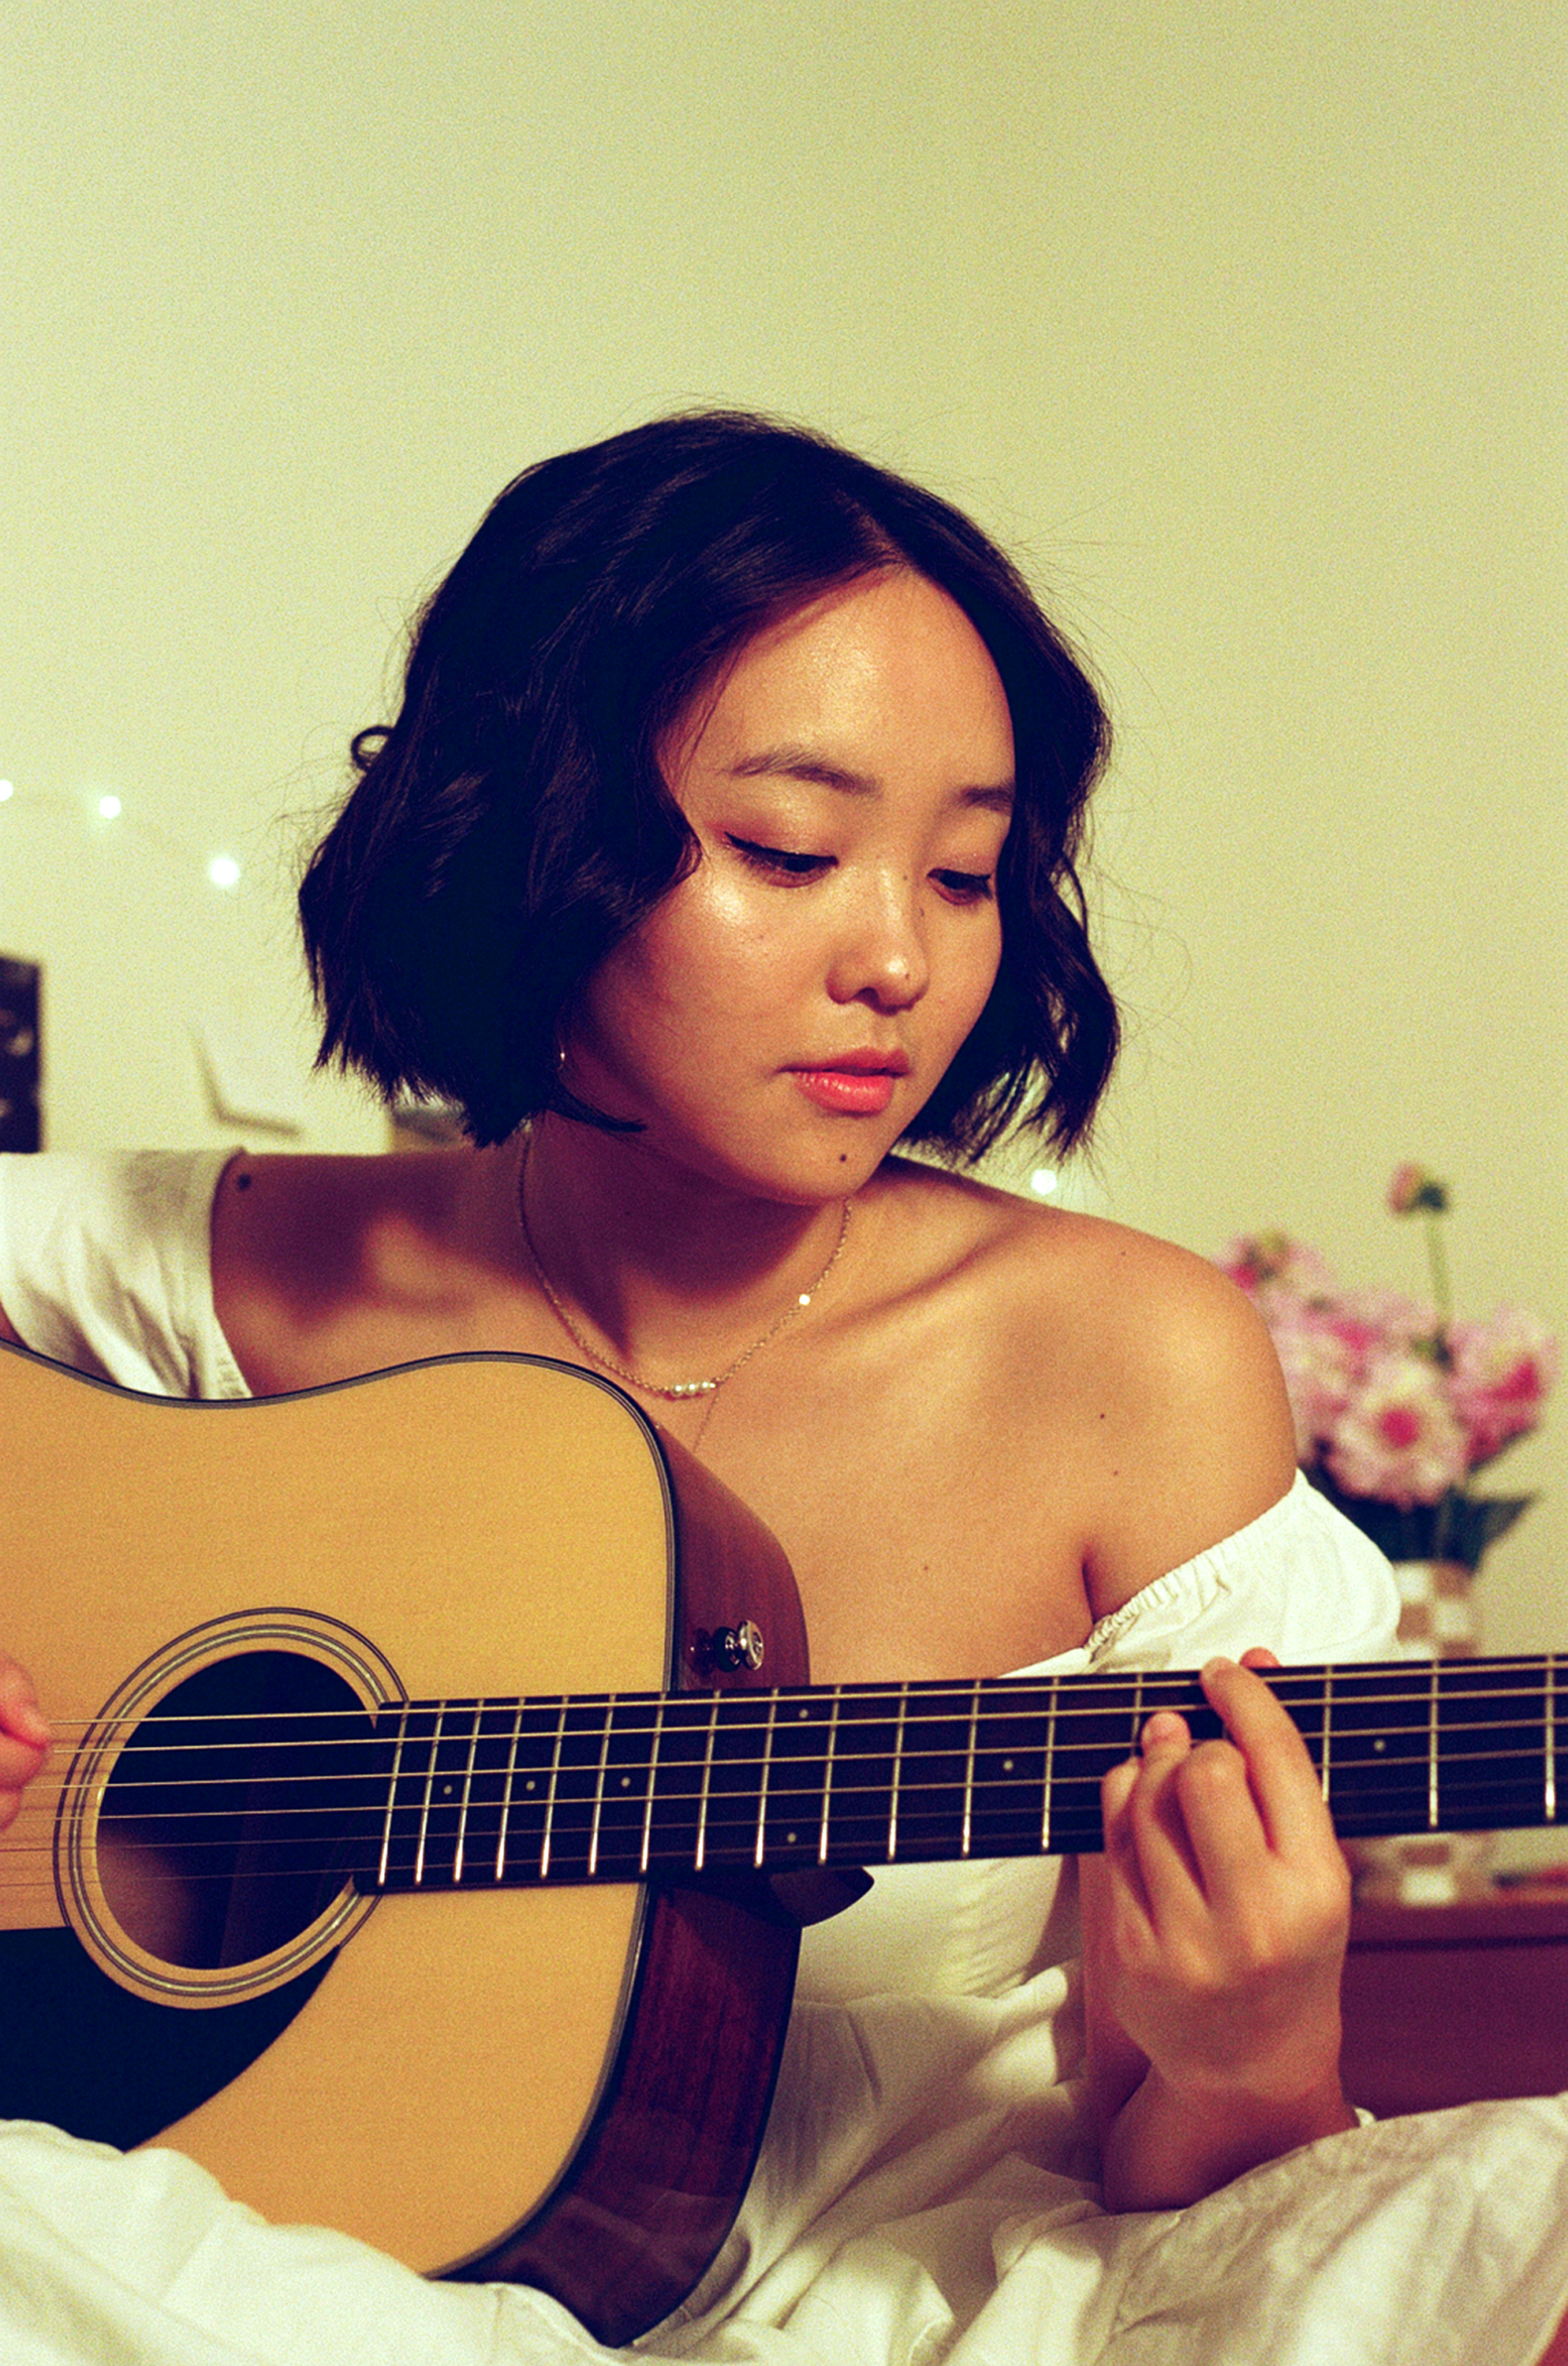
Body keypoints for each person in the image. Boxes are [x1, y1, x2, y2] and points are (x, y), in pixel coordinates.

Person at [1, 412, 1566, 2365]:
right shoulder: (206, 1273)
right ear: (527, 832)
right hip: (262, 2282)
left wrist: (1241, 2053)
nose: (899, 958)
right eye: (789, 852)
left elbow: (1191, 2202)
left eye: (967, 874)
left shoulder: (1124, 1366)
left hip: (917, 2298)